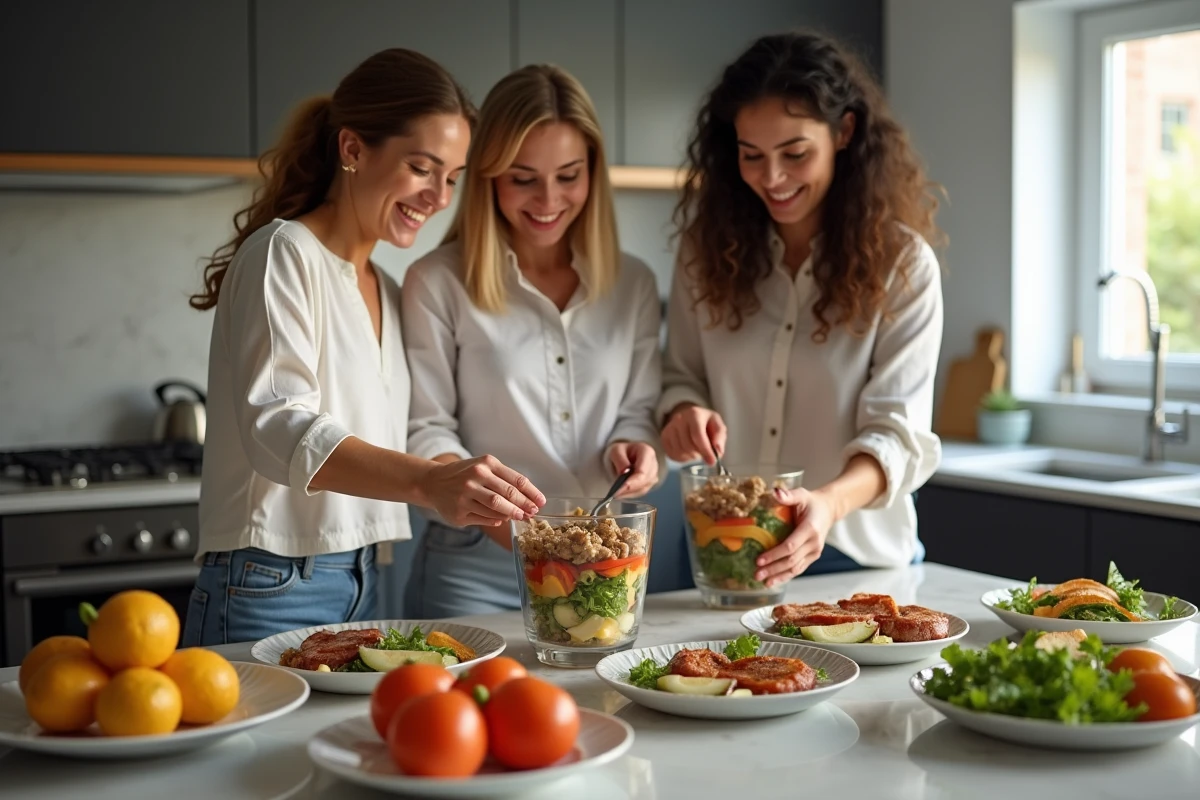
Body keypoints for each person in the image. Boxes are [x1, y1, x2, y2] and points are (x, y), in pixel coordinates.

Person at [183, 49, 544, 646]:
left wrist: (482, 493)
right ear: (352, 149)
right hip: (266, 582)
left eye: (451, 178)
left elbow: (397, 439)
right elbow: (277, 426)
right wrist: (430, 483)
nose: (438, 197)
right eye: (423, 168)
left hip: (365, 577)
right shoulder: (285, 253)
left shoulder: (390, 290)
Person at [659, 31, 945, 586]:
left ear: (844, 132)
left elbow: (897, 435)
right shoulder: (704, 253)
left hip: (849, 554)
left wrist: (827, 503)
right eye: (751, 155)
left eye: (795, 154)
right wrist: (682, 413)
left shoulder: (902, 264)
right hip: (718, 544)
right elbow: (681, 376)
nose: (772, 178)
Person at [401, 64, 664, 617]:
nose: (548, 199)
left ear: (593, 173)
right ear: (489, 176)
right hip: (473, 570)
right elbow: (426, 430)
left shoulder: (633, 283)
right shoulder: (436, 282)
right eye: (523, 178)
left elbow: (639, 411)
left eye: (569, 175)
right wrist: (521, 530)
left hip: (604, 562)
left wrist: (635, 449)